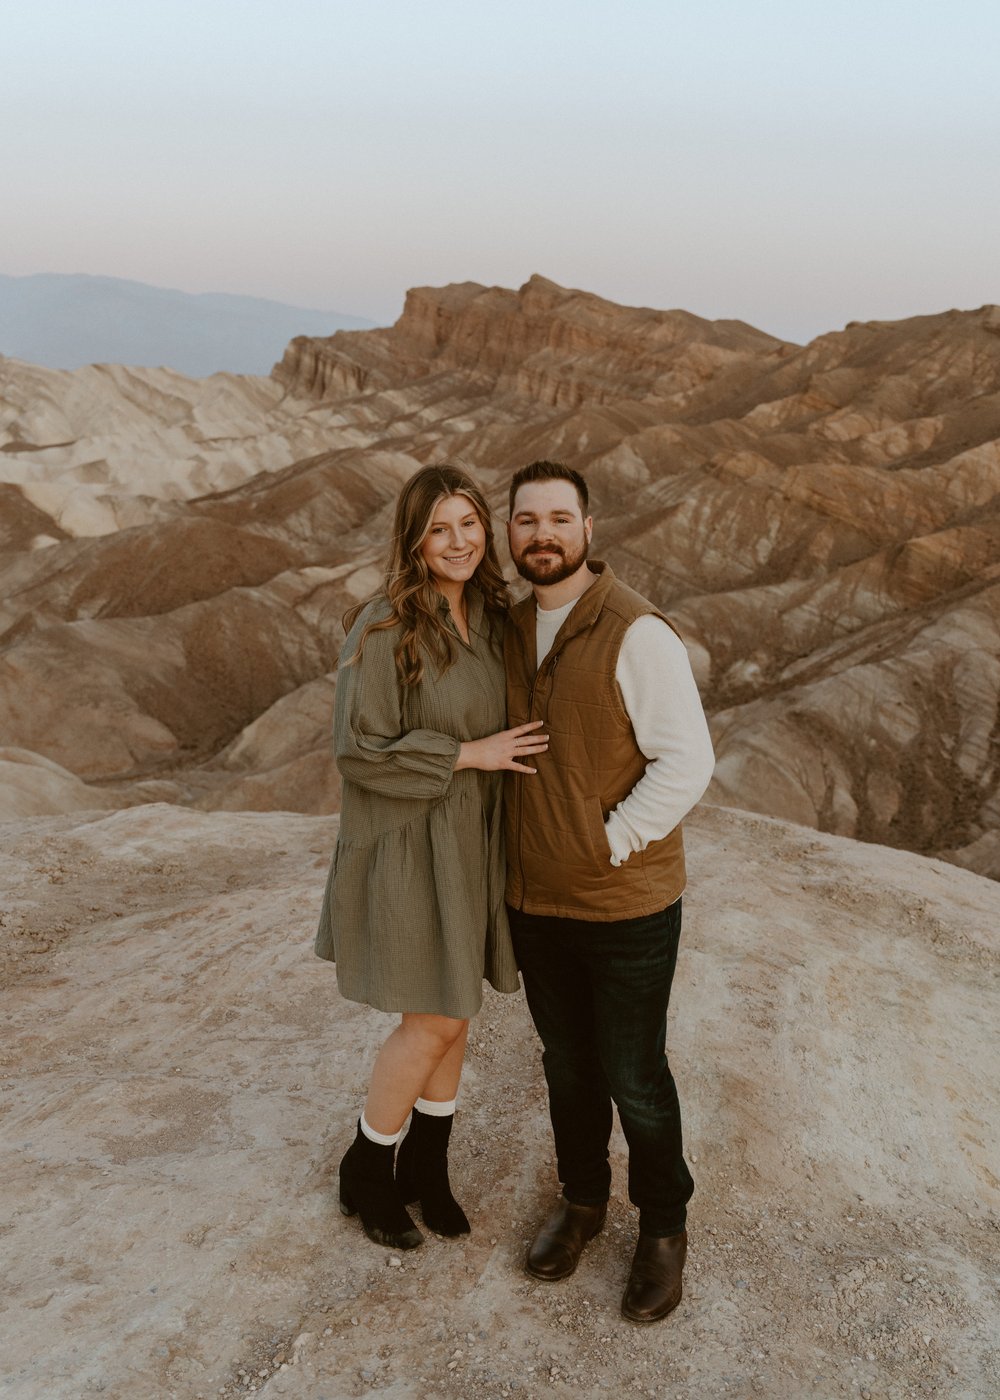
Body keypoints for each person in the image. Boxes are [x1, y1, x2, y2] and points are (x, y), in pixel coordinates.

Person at [315, 464, 548, 1251]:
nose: (458, 541)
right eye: (439, 528)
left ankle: (429, 1165)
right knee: (436, 1015)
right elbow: (357, 750)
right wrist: (468, 755)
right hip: (410, 843)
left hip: (473, 841)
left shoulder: (492, 615)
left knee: (457, 1009)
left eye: (469, 524)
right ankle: (366, 1165)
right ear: (414, 540)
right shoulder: (384, 627)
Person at [503, 460, 715, 1323]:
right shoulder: (510, 629)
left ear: (590, 530)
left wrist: (611, 841)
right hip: (535, 906)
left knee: (633, 1074)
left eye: (560, 518)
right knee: (567, 1066)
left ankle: (663, 1227)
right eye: (526, 520)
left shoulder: (637, 633)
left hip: (625, 907)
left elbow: (688, 761)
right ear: (510, 534)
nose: (542, 534)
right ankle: (584, 1203)